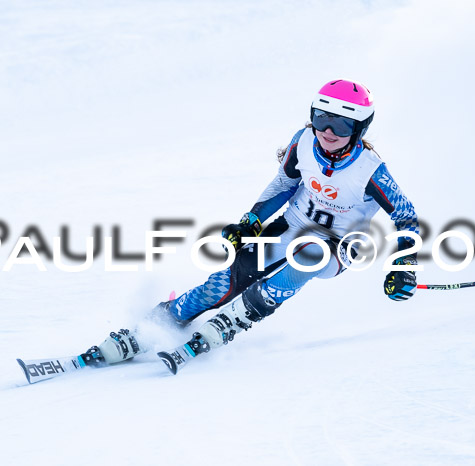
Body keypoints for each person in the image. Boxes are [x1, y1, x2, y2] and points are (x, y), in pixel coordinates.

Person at [84, 79, 421, 371]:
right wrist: (251, 222)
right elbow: (283, 185)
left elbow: (406, 217)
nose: (328, 132)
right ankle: (155, 324)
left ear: (359, 129)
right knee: (225, 282)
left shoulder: (370, 170)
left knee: (310, 254)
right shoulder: (303, 141)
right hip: (292, 224)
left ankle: (237, 318)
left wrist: (404, 265)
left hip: (336, 245)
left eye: (342, 126)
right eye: (321, 119)